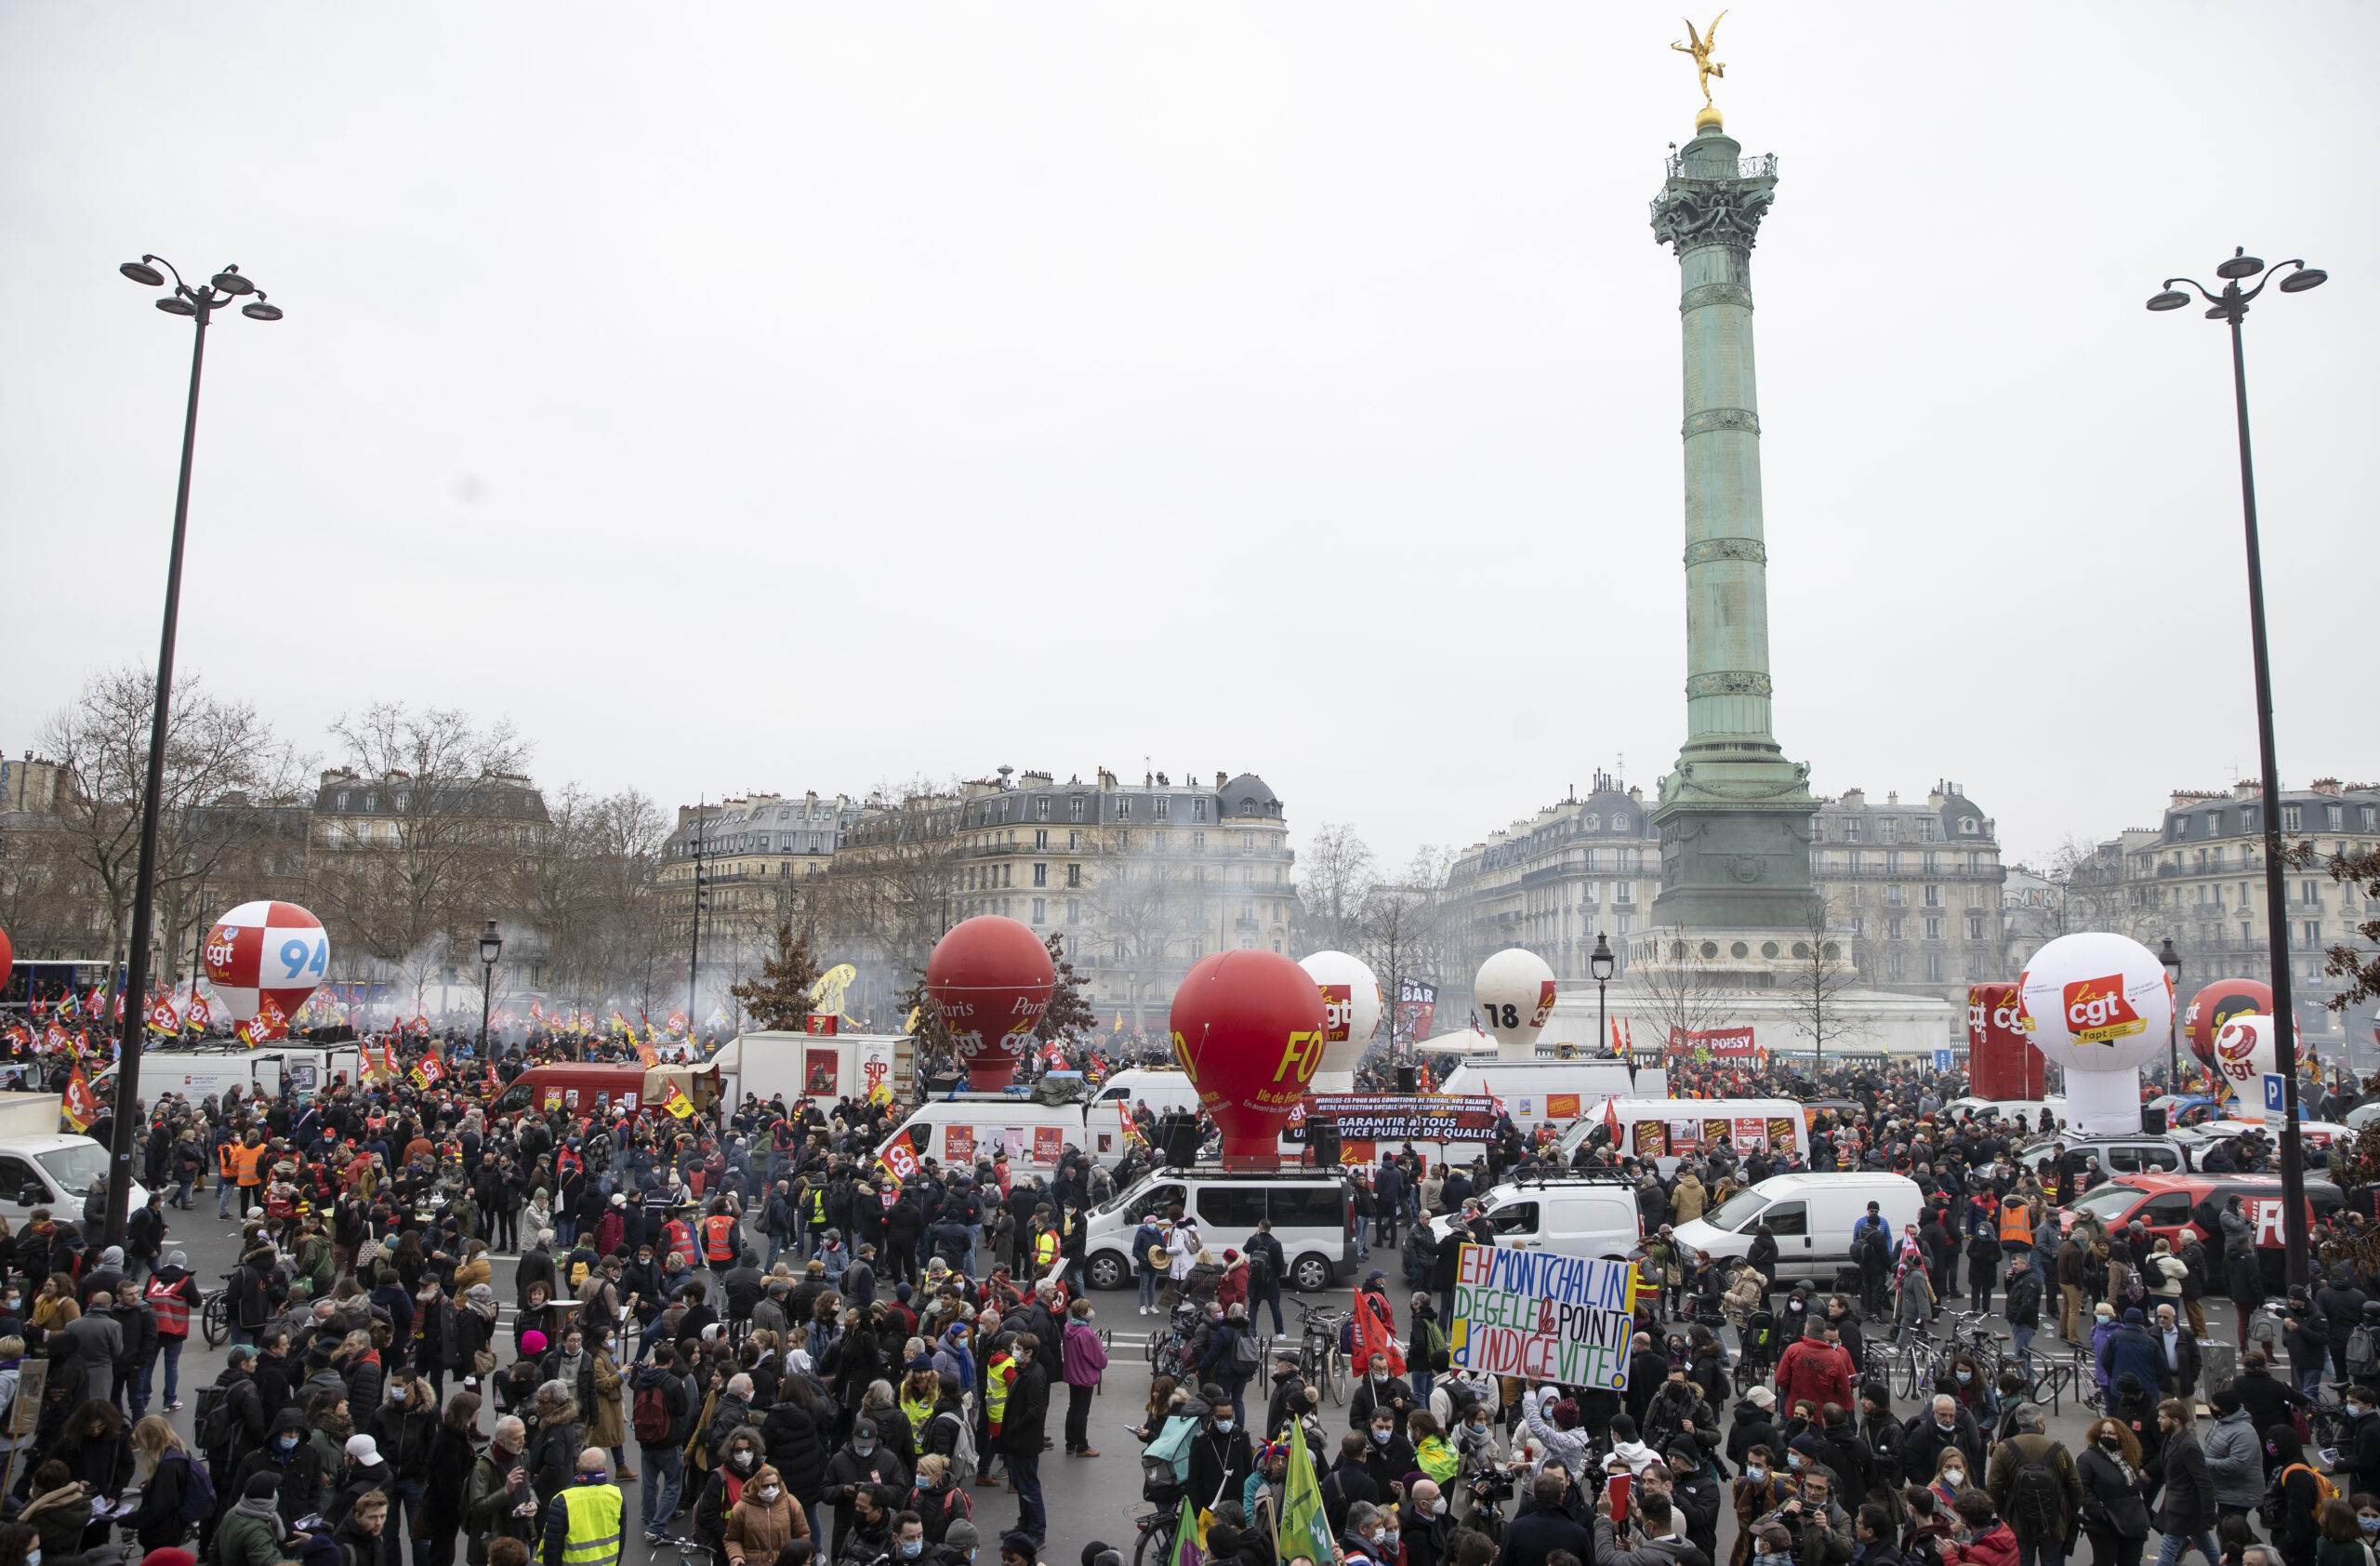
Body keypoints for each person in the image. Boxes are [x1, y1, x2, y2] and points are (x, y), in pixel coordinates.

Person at [1983, 1404, 2082, 1566]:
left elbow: (1994, 1486)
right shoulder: (2059, 1449)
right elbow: (2075, 1486)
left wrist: (2003, 1513)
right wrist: (2068, 1512)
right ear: (2038, 1423)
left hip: (2017, 1522)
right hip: (2054, 1523)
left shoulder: (2004, 1449)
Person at [2149, 1399, 2218, 1566]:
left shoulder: (2188, 1446)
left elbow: (2204, 1482)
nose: (2158, 1420)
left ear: (2175, 1421)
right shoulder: (2170, 1439)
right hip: (2178, 1507)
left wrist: (2209, 1514)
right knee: (2204, 1544)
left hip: (2183, 1511)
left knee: (2167, 1549)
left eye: (2162, 1417)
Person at [2075, 1417, 2150, 1566]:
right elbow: (2084, 1490)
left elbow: (2136, 1485)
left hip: (2132, 1522)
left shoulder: (2129, 1456)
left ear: (2120, 1437)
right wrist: (2099, 1513)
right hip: (2104, 1526)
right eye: (2103, 1432)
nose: (2107, 1436)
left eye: (2111, 1433)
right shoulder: (2087, 1459)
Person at [540, 1447, 622, 1566]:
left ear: (577, 1468)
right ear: (604, 1469)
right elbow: (621, 1539)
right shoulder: (617, 1496)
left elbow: (552, 1549)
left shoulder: (562, 1500)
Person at [1493, 1470, 1593, 1566]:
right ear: (1561, 1497)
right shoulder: (1578, 1534)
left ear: (1535, 1496)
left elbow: (1503, 1562)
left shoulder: (1516, 1529)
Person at [1059, 1297, 1107, 1459]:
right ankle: (1082, 1445)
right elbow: (1097, 1357)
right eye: (1089, 1309)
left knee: (1073, 1408)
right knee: (1082, 1411)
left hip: (1072, 1374)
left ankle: (1070, 1443)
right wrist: (1103, 1361)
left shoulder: (1068, 1327)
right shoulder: (1086, 1332)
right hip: (1085, 1375)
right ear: (1083, 1312)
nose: (1091, 1311)